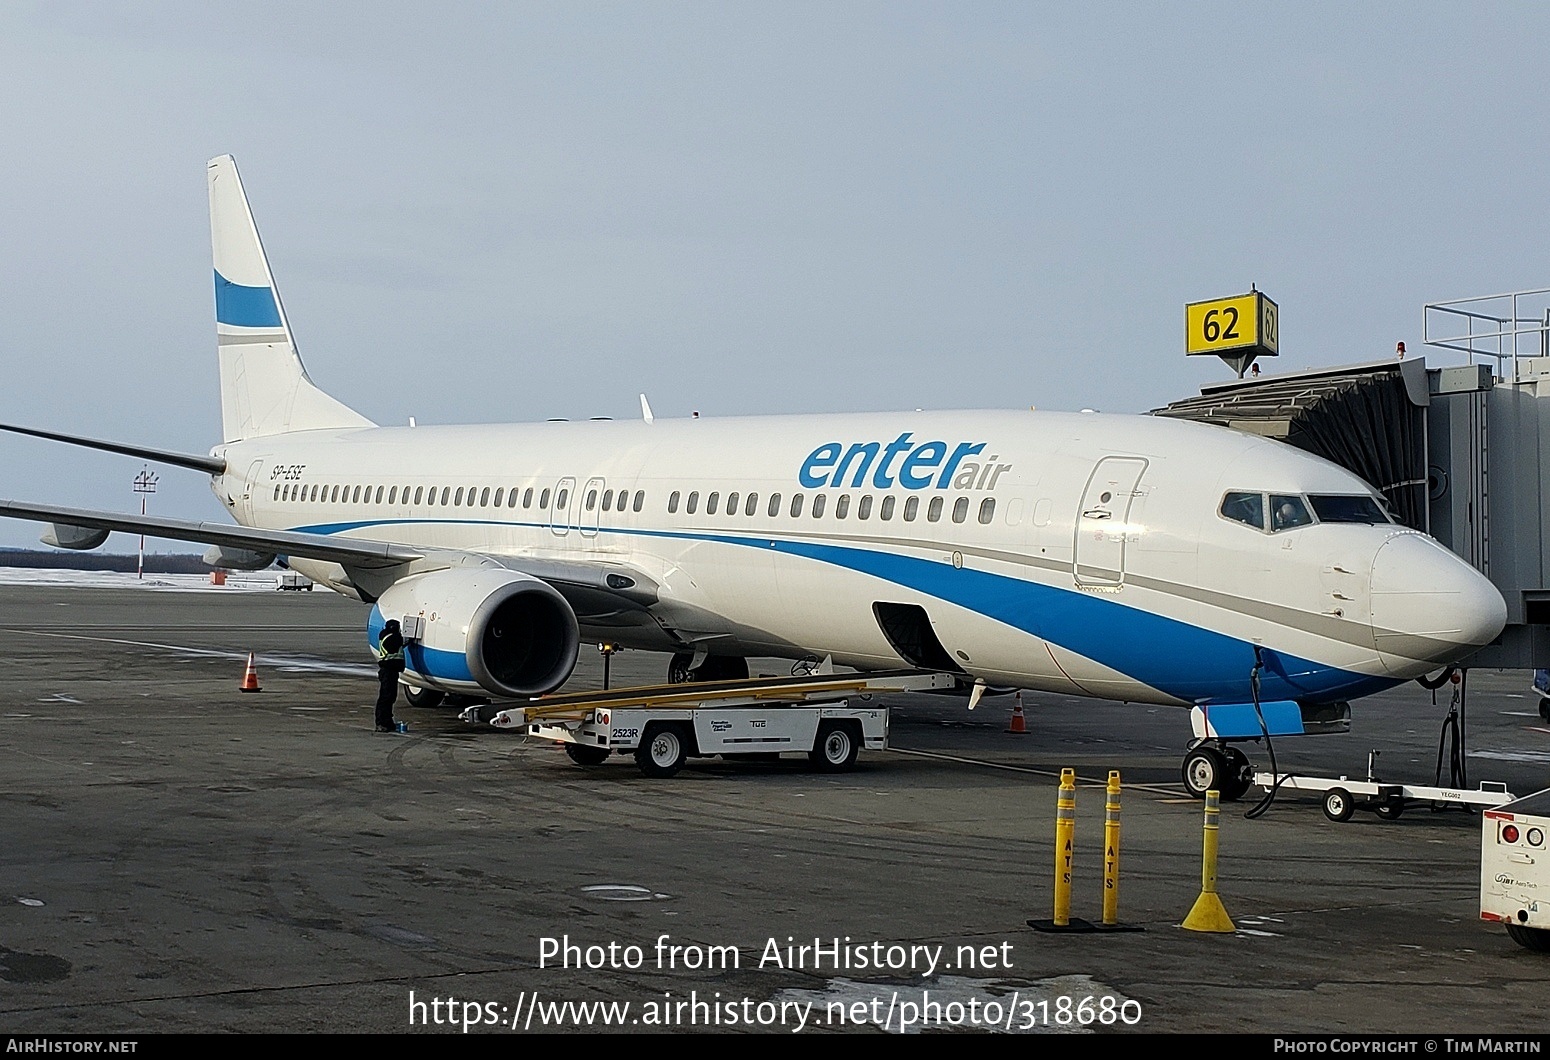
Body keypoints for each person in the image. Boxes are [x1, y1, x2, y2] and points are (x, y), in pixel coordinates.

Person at [373, 619, 405, 732]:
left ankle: (387, 722)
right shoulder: (391, 638)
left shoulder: (386, 636)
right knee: (386, 697)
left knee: (390, 697)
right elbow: (398, 642)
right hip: (388, 671)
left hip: (390, 671)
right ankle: (382, 722)